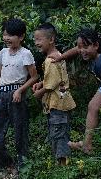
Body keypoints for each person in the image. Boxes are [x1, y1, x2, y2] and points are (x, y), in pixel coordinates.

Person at [0, 18, 38, 177]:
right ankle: (7, 165)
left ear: (21, 37)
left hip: (17, 96)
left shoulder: (26, 53)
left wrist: (20, 90)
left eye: (10, 35)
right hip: (1, 95)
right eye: (4, 35)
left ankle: (23, 167)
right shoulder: (2, 53)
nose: (6, 38)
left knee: (20, 133)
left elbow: (34, 77)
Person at [32, 23, 76, 165]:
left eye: (39, 39)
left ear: (51, 39)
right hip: (62, 101)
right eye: (35, 39)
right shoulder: (58, 55)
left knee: (58, 134)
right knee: (61, 132)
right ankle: (63, 161)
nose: (36, 43)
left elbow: (52, 84)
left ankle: (63, 165)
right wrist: (42, 83)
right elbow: (57, 79)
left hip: (57, 103)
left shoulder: (50, 60)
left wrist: (40, 92)